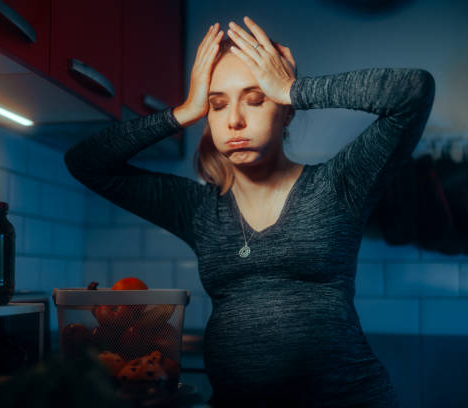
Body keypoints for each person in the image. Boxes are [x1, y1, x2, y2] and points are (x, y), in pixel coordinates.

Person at [64, 15, 435, 408]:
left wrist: (294, 88)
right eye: (217, 104)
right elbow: (85, 162)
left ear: (286, 111)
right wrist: (184, 112)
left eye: (256, 99)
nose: (234, 120)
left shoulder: (338, 184)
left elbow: (412, 91)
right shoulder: (198, 209)